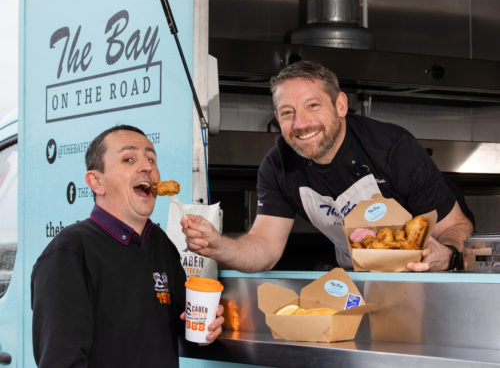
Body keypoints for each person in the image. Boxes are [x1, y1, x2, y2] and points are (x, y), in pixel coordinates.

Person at [182, 61, 473, 272]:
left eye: (313, 106)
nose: (300, 123)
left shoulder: (392, 148)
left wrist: (446, 255)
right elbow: (264, 248)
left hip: (425, 282)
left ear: (341, 105)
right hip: (355, 283)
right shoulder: (278, 166)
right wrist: (219, 246)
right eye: (287, 112)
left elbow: (456, 227)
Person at [31, 125, 224, 368]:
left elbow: (183, 326)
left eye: (152, 159)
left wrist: (204, 329)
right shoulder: (68, 253)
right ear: (96, 182)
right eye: (129, 159)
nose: (147, 167)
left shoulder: (161, 244)